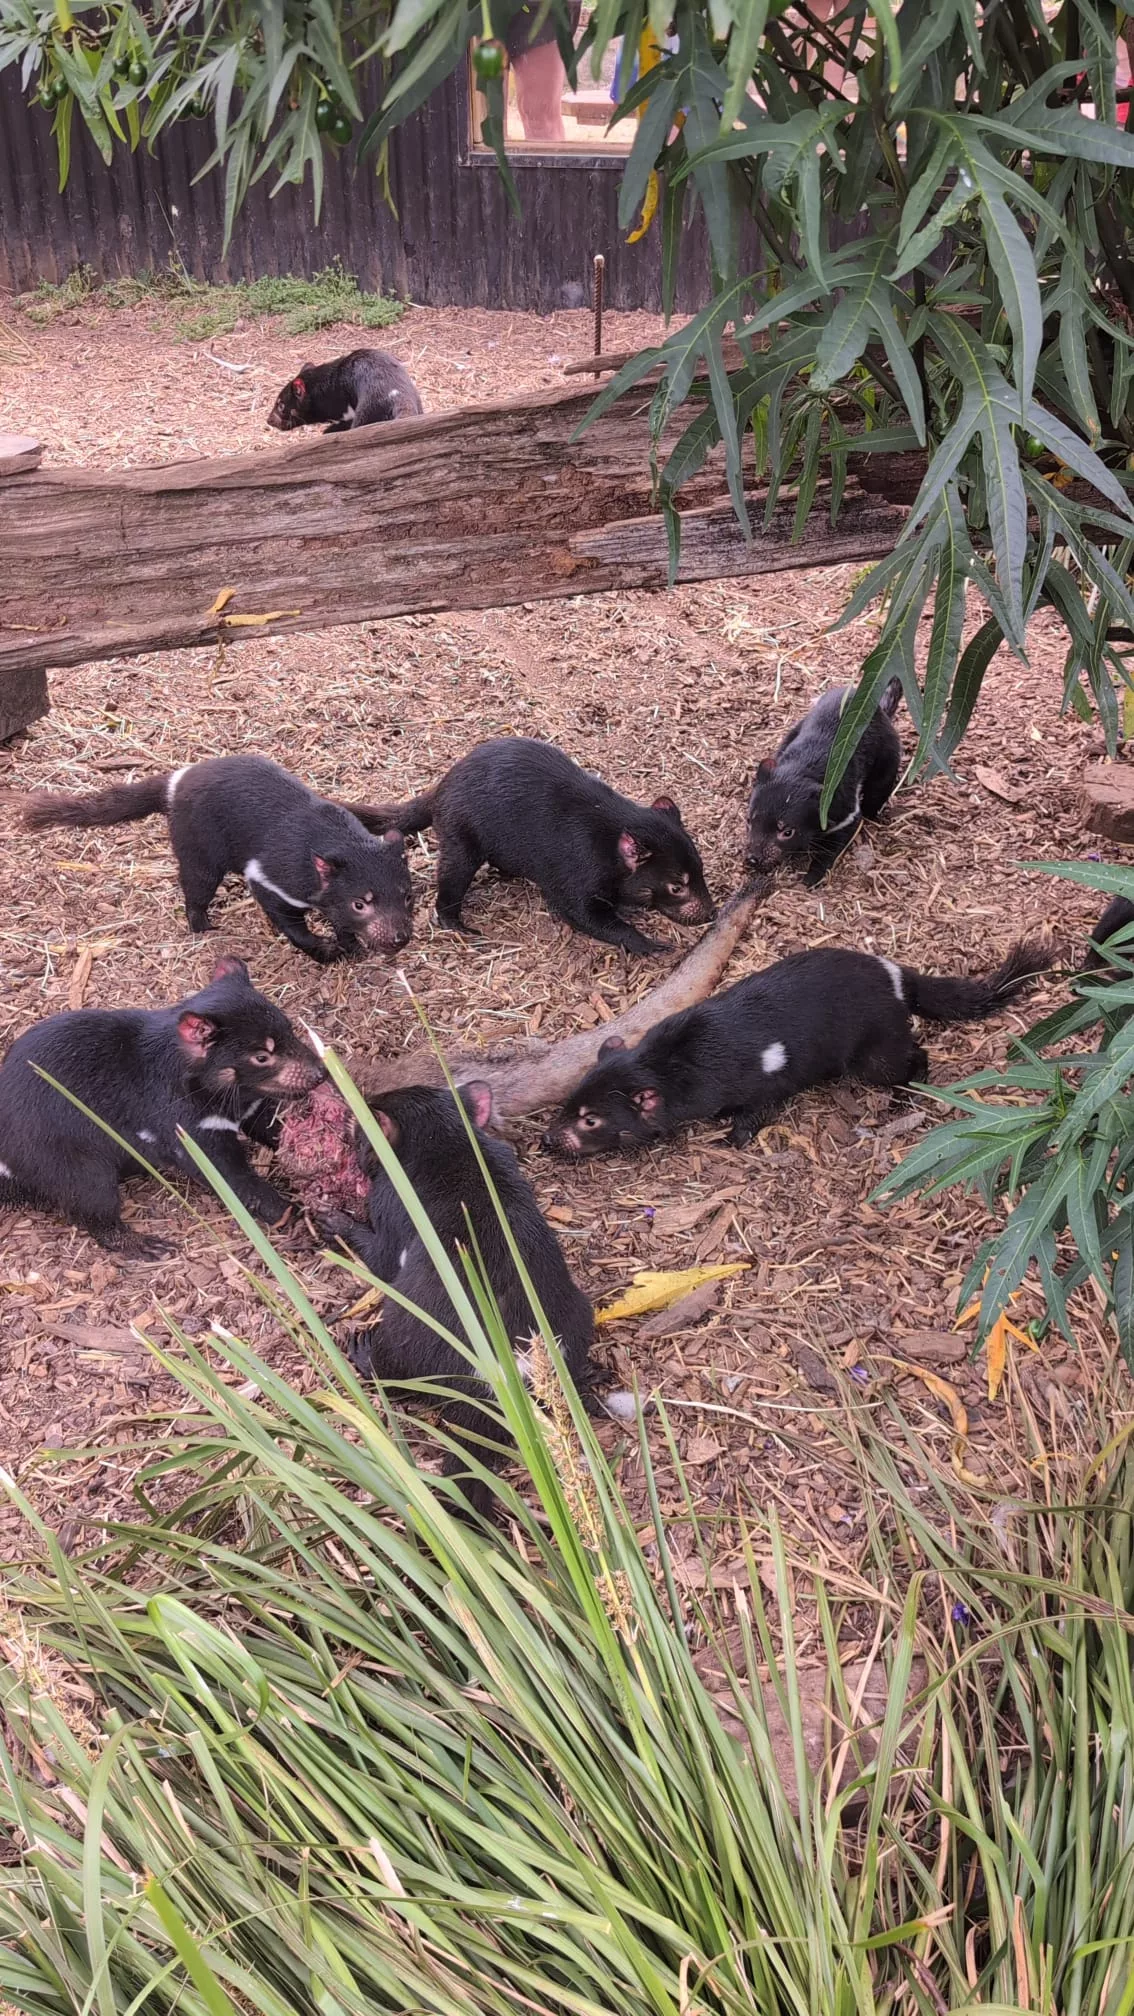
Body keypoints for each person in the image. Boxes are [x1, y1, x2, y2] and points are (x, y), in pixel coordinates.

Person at [504, 1, 581, 143]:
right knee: (483, 122)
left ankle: (548, 164)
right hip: (473, 10)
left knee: (539, 116)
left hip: (541, 10)